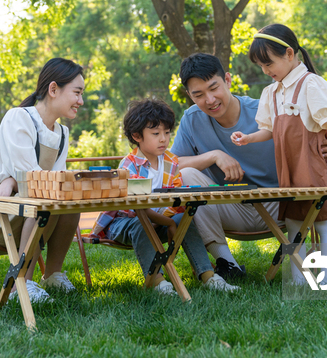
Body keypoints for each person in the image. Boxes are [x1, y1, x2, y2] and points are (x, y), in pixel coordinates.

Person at [171, 52, 327, 285]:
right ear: (189, 95)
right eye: (198, 94)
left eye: (213, 88)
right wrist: (214, 156)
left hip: (281, 203)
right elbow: (171, 164)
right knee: (186, 174)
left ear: (227, 80)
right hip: (229, 207)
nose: (209, 100)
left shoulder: (266, 108)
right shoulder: (191, 119)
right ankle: (228, 264)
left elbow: (306, 136)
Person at [0, 58, 85, 303]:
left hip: (23, 204)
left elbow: (51, 182)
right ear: (53, 89)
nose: (81, 101)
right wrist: (15, 181)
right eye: (77, 93)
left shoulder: (62, 133)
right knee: (44, 200)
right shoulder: (19, 118)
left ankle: (52, 274)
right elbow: (32, 180)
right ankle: (21, 284)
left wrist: (13, 181)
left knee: (65, 202)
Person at [230, 24, 327, 285]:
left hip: (315, 169)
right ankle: (298, 279)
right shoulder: (271, 92)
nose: (265, 71)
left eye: (268, 63)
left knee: (323, 223)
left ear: (288, 53)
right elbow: (269, 129)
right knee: (295, 223)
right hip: (290, 172)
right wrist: (249, 137)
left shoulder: (311, 84)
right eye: (261, 66)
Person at [90, 99, 238, 294]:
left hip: (158, 221)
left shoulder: (170, 162)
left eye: (167, 133)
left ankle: (208, 275)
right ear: (137, 136)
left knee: (186, 220)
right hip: (124, 224)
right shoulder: (129, 165)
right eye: (156, 134)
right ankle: (156, 280)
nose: (163, 139)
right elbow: (138, 207)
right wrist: (167, 223)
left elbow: (176, 198)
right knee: (141, 224)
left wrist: (171, 218)